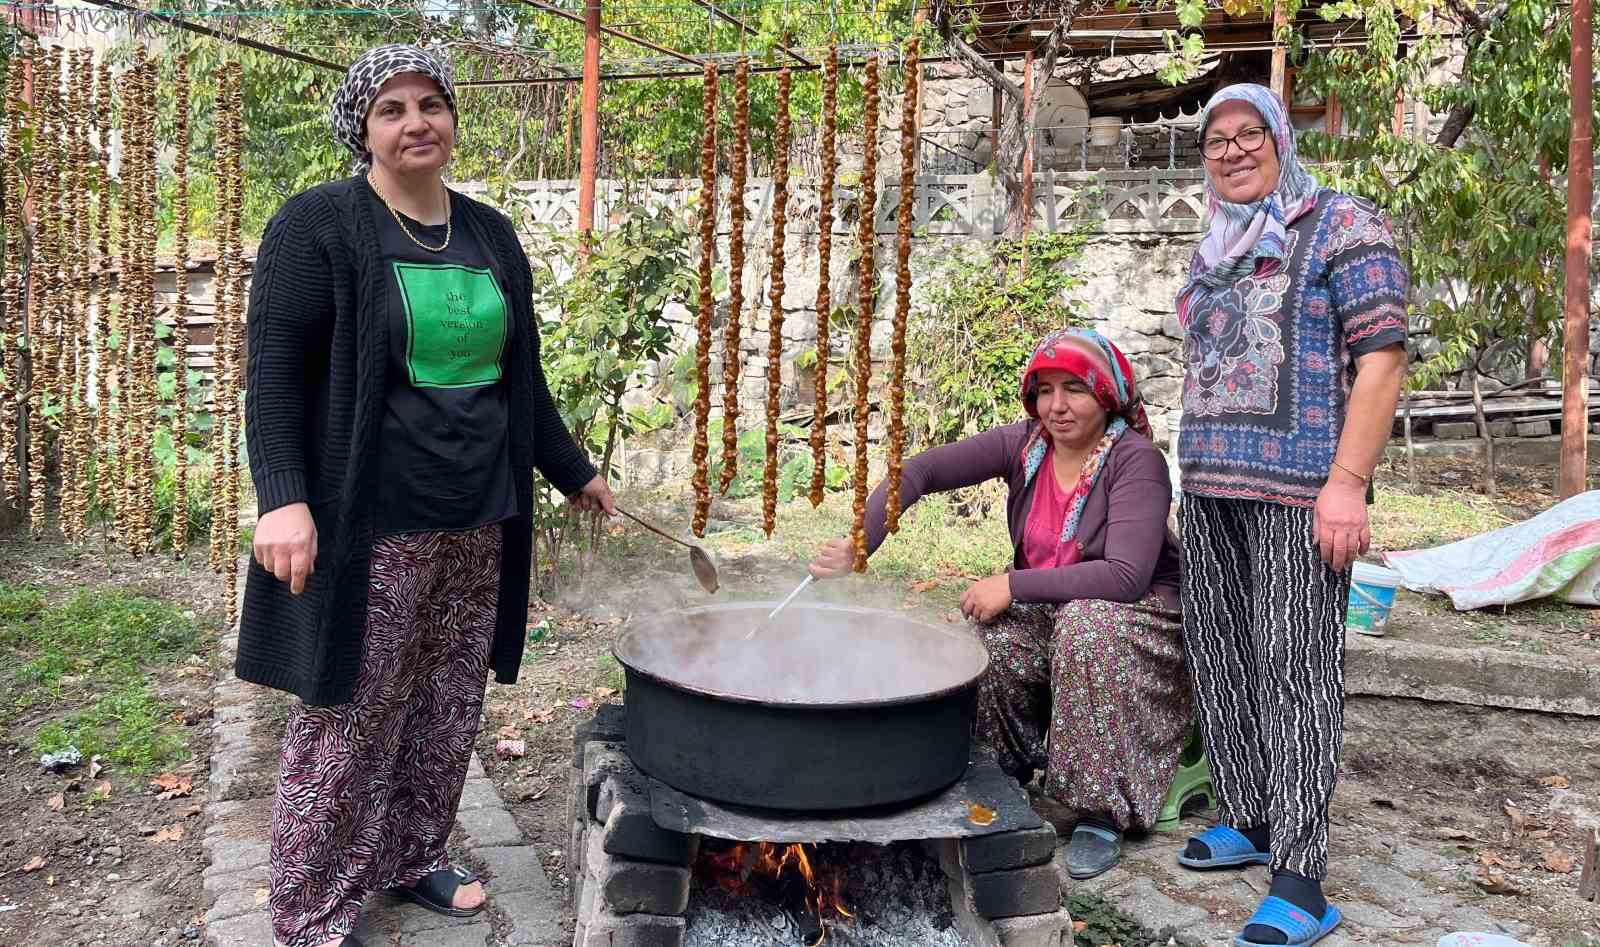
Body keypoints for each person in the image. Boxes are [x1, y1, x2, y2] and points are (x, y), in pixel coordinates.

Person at [238, 45, 615, 947]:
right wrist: (283, 497)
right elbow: (274, 369)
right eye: (392, 109)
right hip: (373, 519)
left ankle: (412, 857)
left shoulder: (490, 234)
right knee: (352, 710)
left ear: (452, 118)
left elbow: (519, 378)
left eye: (431, 104)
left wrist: (574, 469)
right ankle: (309, 908)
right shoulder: (321, 223)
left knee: (448, 699)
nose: (417, 123)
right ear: (363, 130)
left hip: (479, 512)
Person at [810, 328, 1190, 880]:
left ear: (1107, 394)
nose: (1056, 406)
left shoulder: (1135, 461)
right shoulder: (1027, 445)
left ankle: (1101, 812)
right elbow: (919, 471)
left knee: (1089, 628)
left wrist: (1012, 585)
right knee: (988, 642)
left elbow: (1125, 575)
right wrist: (862, 543)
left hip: (1136, 614)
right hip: (1059, 605)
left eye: (1074, 390)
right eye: (1044, 390)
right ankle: (1005, 774)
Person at [1173, 83, 1409, 947]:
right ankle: (1251, 813)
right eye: (1216, 140)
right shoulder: (1216, 243)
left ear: (1279, 138)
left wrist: (1347, 481)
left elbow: (1381, 361)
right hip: (1211, 488)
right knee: (1223, 654)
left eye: (1248, 134)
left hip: (1301, 493)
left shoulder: (1342, 225)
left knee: (1296, 668)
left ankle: (1303, 877)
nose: (1232, 151)